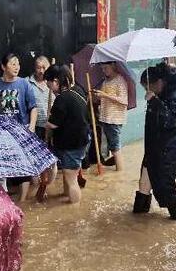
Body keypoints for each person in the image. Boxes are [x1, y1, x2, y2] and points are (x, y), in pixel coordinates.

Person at [133, 62, 176, 221]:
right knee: (144, 183)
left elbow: (171, 121)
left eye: (148, 86)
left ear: (159, 83)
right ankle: (137, 221)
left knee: (165, 186)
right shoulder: (160, 95)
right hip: (153, 149)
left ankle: (175, 215)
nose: (146, 90)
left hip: (166, 151)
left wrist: (155, 102)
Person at [0, 53, 38, 202]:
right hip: (0, 134)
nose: (17, 67)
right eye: (13, 64)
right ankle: (4, 200)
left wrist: (32, 126)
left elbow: (33, 107)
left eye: (18, 63)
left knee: (23, 167)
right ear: (3, 66)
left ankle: (22, 202)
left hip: (21, 131)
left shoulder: (24, 84)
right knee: (1, 166)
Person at [45, 65, 91, 204]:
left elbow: (53, 124)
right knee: (67, 173)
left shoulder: (62, 99)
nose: (50, 89)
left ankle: (74, 211)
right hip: (82, 140)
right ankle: (67, 197)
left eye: (49, 85)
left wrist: (46, 123)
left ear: (55, 81)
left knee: (71, 180)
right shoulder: (78, 90)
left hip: (72, 145)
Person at [28, 56, 58, 191]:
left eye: (44, 68)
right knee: (35, 158)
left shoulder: (54, 83)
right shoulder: (27, 83)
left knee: (51, 158)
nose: (41, 71)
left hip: (51, 127)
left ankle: (47, 186)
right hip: (35, 127)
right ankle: (37, 186)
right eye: (38, 67)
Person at [93, 62, 128, 171]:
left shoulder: (120, 80)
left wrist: (104, 95)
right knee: (113, 147)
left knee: (115, 148)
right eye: (102, 68)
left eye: (106, 68)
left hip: (114, 119)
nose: (104, 70)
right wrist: (97, 96)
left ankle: (120, 172)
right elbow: (104, 99)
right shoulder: (105, 81)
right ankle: (118, 171)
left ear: (113, 66)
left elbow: (124, 101)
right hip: (105, 117)